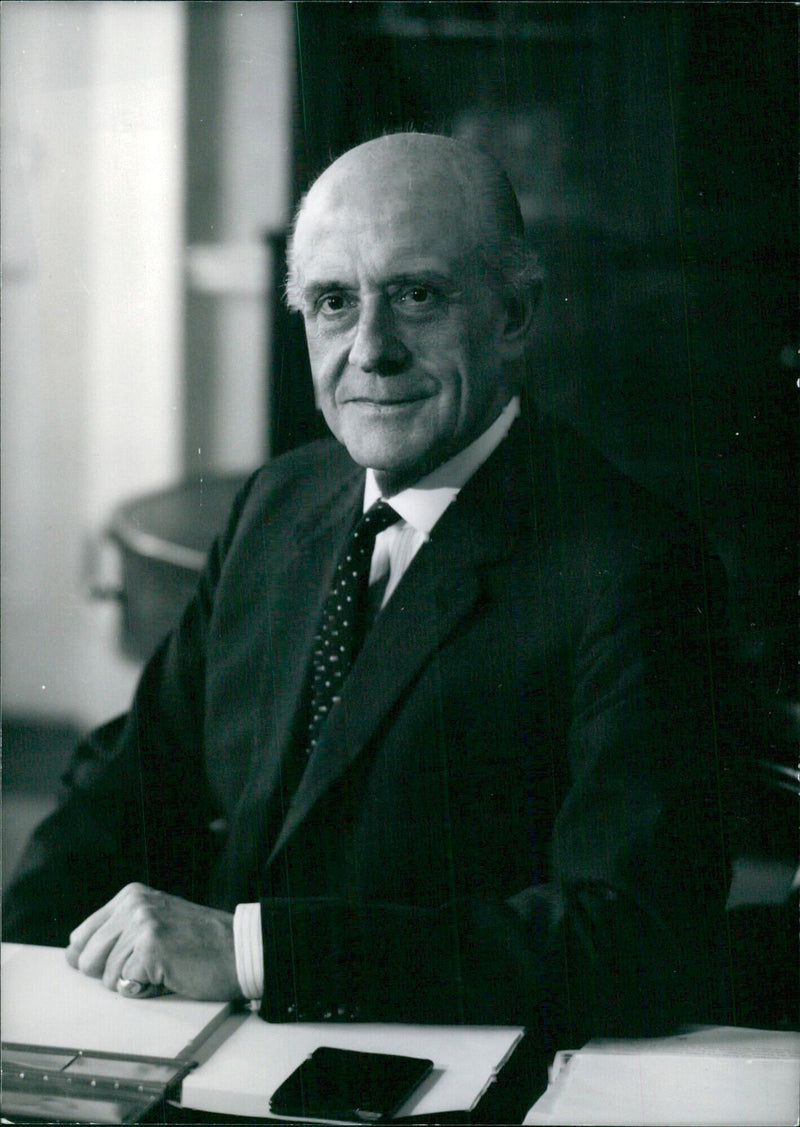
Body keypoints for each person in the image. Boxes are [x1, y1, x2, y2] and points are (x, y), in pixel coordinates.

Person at [4, 133, 731, 1050]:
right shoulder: (279, 504)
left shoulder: (634, 565)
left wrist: (257, 951)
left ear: (514, 314)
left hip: (442, 1081)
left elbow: (633, 936)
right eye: (335, 303)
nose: (371, 350)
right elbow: (134, 774)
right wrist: (17, 968)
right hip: (218, 1057)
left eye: (418, 296)